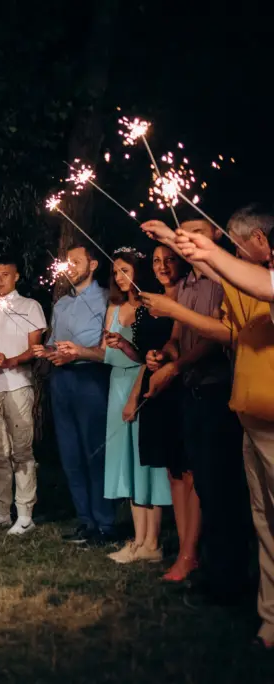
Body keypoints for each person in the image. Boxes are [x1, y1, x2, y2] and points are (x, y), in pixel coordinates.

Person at [153, 206, 274, 645]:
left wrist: (196, 252)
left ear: (259, 240)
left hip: (270, 413)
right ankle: (270, 619)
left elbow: (248, 285)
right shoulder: (243, 278)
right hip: (250, 411)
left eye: (238, 244)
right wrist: (174, 238)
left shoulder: (264, 281)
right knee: (263, 519)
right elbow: (226, 275)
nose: (235, 252)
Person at [140, 215, 251, 602]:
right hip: (191, 392)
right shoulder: (187, 283)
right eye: (184, 236)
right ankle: (212, 569)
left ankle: (229, 578)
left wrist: (176, 366)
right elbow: (178, 336)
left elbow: (219, 335)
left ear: (217, 235)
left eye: (198, 234)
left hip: (218, 390)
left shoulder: (228, 279)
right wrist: (163, 355)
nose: (189, 242)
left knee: (221, 488)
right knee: (202, 480)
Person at [58, 248, 170, 563]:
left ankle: (152, 541)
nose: (120, 278)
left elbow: (145, 355)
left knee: (144, 464)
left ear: (137, 273)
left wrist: (124, 347)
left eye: (126, 271)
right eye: (116, 272)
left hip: (139, 383)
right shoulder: (113, 307)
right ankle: (138, 539)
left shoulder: (149, 307)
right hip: (117, 384)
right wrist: (79, 351)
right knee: (127, 463)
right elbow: (106, 354)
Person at [32, 243, 115, 545]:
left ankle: (105, 523)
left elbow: (106, 347)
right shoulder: (61, 305)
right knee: (70, 452)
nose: (70, 268)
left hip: (90, 377)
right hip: (62, 379)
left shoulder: (106, 299)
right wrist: (46, 351)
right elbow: (55, 341)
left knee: (95, 450)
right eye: (67, 262)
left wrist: (78, 353)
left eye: (76, 262)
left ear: (93, 265)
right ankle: (85, 520)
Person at [125, 245, 196, 580]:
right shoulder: (147, 305)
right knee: (173, 472)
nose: (162, 266)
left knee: (190, 471)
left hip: (183, 386)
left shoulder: (189, 296)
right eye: (156, 260)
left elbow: (181, 341)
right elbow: (145, 353)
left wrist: (168, 359)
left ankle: (193, 550)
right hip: (156, 389)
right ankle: (184, 550)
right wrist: (152, 359)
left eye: (169, 259)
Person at [0, 255, 46, 536]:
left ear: (16, 277)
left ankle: (25, 514)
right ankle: (1, 512)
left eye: (5, 274)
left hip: (16, 385)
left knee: (21, 451)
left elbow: (34, 348)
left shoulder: (29, 306)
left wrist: (12, 360)